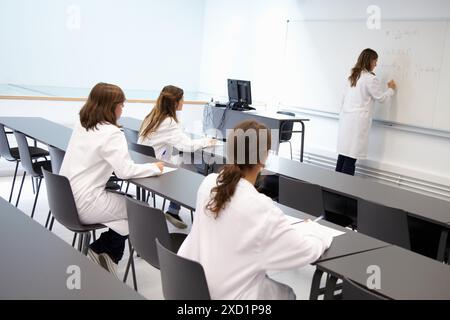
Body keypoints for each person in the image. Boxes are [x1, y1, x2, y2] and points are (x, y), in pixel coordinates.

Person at [178, 120, 332, 299]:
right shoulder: (260, 207)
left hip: (194, 286)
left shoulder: (209, 182)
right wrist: (317, 233)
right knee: (288, 295)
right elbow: (305, 252)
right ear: (263, 158)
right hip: (229, 295)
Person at [60, 82, 164, 276]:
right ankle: (103, 251)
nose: (122, 109)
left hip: (65, 199)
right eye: (122, 104)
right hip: (86, 202)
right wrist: (153, 167)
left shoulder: (83, 123)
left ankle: (104, 253)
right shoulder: (112, 132)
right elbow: (124, 171)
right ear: (112, 106)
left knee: (128, 205)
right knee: (140, 208)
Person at [138, 85, 215, 229]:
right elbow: (186, 146)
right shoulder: (168, 122)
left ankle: (174, 210)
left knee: (186, 161)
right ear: (175, 103)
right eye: (182, 99)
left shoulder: (152, 116)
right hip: (156, 167)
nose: (183, 102)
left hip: (145, 162)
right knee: (191, 167)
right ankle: (201, 211)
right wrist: (207, 141)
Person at [336, 48, 397, 175]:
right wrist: (390, 90)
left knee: (343, 155)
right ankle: (344, 191)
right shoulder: (370, 78)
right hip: (357, 122)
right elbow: (380, 98)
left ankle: (333, 189)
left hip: (346, 120)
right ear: (369, 60)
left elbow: (343, 98)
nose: (376, 64)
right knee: (351, 157)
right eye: (375, 61)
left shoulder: (353, 76)